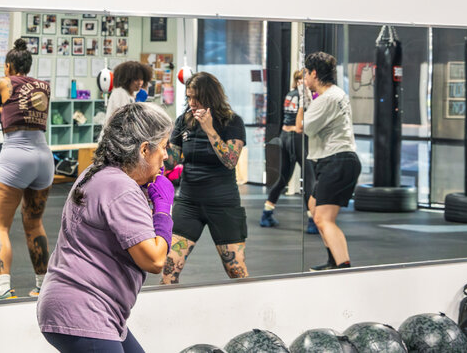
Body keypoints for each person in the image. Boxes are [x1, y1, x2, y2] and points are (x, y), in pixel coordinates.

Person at [37, 103, 174, 353]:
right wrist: (164, 209)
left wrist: (146, 193)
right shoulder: (121, 187)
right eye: (164, 146)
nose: (166, 155)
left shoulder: (97, 173)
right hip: (84, 311)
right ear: (144, 149)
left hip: (84, 307)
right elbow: (154, 260)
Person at [0, 39, 55, 299]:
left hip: (16, 156)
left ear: (8, 66)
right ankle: (42, 285)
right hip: (44, 157)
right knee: (34, 223)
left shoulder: (3, 83)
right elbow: (18, 106)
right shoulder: (43, 86)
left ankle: (4, 289)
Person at [161, 71, 248, 284]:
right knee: (169, 269)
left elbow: (230, 161)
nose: (192, 102)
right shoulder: (184, 121)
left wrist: (209, 130)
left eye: (196, 97)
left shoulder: (232, 121)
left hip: (223, 203)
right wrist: (161, 143)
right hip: (189, 202)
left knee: (236, 270)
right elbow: (171, 162)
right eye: (189, 97)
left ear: (210, 97)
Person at [298, 52, 361, 271]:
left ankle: (342, 267)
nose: (305, 77)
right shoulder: (334, 94)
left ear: (314, 73)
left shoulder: (327, 99)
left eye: (307, 73)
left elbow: (304, 127)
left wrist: (302, 101)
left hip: (338, 161)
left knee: (324, 219)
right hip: (335, 161)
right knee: (313, 207)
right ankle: (333, 261)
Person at [261, 69, 304, 228]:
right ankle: (313, 219)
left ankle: (267, 212)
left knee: (283, 178)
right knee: (310, 177)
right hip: (294, 137)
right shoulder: (302, 96)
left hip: (284, 135)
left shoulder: (290, 94)